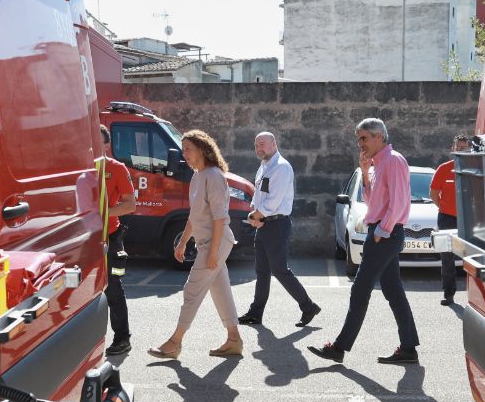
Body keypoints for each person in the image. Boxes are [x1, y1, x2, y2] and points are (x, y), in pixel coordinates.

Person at [308, 118, 420, 366]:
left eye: (364, 138)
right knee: (393, 292)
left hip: (384, 236)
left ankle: (339, 348)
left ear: (379, 136)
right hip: (381, 234)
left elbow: (399, 202)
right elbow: (373, 202)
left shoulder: (394, 161)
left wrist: (382, 231)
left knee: (360, 290)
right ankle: (409, 348)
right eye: (359, 139)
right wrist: (366, 176)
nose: (360, 143)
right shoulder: (378, 165)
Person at [148, 130, 243, 359]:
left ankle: (175, 342)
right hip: (207, 243)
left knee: (192, 290)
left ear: (202, 149)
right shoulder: (198, 176)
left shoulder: (213, 175)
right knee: (221, 291)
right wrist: (182, 243)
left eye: (188, 149)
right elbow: (194, 215)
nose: (185, 154)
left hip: (217, 242)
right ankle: (234, 340)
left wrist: (212, 252)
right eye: (183, 150)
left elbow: (220, 217)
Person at [238, 132, 321, 328]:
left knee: (280, 270)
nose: (259, 148)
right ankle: (256, 313)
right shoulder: (264, 165)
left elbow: (273, 202)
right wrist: (255, 212)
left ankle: (308, 307)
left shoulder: (281, 167)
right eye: (256, 145)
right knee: (262, 271)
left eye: (263, 144)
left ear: (274, 144)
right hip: (264, 223)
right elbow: (259, 195)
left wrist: (256, 216)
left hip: (276, 224)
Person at [100, 124, 136, 355]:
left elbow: (130, 205)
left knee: (114, 288)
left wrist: (101, 212)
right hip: (85, 239)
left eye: (96, 142)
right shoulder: (79, 169)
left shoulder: (116, 168)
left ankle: (122, 338)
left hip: (112, 240)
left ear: (106, 144)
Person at [430, 133, 470, 306]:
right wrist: (443, 208)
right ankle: (449, 294)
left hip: (469, 219)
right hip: (446, 218)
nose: (461, 150)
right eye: (459, 147)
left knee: (473, 257)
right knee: (447, 258)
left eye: (465, 148)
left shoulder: (475, 167)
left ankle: (477, 298)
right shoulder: (444, 169)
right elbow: (433, 194)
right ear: (453, 149)